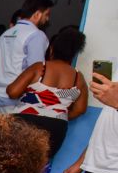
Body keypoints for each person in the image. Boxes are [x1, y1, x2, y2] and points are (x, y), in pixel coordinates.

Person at [5, 28, 89, 159]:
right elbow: (80, 109)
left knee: (14, 161)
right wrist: (56, 113)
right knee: (39, 165)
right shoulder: (78, 78)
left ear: (51, 49)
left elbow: (12, 92)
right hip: (56, 127)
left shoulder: (40, 68)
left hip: (26, 121)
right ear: (73, 55)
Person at [0, 0, 54, 113]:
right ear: (37, 14)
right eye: (47, 15)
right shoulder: (36, 35)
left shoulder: (6, 34)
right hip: (17, 99)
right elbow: (36, 71)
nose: (47, 19)